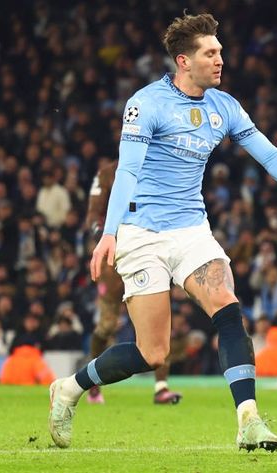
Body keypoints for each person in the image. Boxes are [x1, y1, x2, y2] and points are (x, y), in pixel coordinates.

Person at [48, 13, 277, 452]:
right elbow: (127, 173)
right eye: (210, 53)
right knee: (153, 353)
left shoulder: (225, 106)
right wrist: (109, 233)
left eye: (220, 51)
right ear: (184, 61)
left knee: (228, 307)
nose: (221, 59)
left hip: (192, 230)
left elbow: (269, 155)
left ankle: (249, 420)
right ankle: (69, 389)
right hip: (140, 233)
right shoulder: (147, 104)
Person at [84, 159, 183, 405]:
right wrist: (103, 233)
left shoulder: (158, 168)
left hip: (148, 253)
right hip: (113, 262)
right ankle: (93, 384)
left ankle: (161, 387)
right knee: (107, 326)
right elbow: (93, 214)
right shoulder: (107, 173)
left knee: (158, 321)